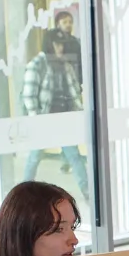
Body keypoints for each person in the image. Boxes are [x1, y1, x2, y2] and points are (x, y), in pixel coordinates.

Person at [18, 12, 90, 191]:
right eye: (57, 45)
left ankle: (87, 191)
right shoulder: (37, 64)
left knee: (74, 155)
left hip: (62, 117)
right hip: (44, 118)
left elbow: (73, 92)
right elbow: (29, 95)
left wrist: (78, 113)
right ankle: (23, 192)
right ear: (50, 44)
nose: (60, 48)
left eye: (62, 45)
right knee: (35, 157)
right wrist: (36, 119)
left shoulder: (65, 65)